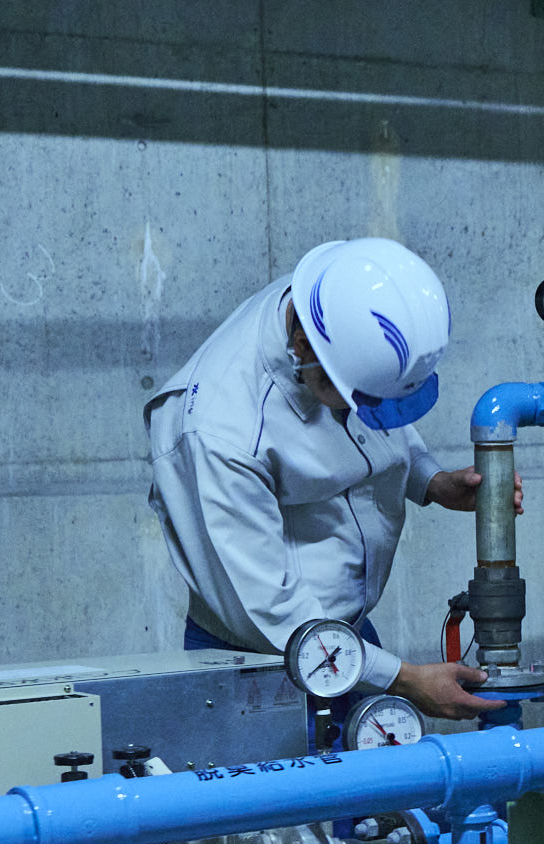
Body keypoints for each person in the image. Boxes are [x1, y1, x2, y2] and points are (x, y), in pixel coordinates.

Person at [145, 236, 505, 721]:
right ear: (302, 350)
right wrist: (405, 680)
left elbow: (377, 414)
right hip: (262, 658)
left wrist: (431, 480)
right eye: (365, 401)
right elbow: (272, 607)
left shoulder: (336, 300)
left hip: (348, 640)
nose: (376, 412)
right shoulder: (221, 431)